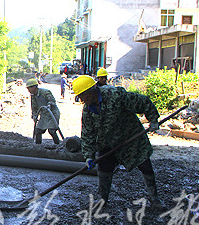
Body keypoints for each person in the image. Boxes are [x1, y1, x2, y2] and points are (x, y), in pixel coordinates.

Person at [71, 75, 165, 210]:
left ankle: (154, 199)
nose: (81, 100)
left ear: (91, 91)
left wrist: (153, 119)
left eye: (82, 96)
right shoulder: (88, 110)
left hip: (130, 137)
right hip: (107, 143)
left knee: (145, 166)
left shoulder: (115, 95)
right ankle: (103, 199)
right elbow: (87, 134)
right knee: (104, 169)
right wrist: (88, 156)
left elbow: (142, 101)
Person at [26, 78, 61, 145]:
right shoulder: (33, 97)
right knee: (38, 131)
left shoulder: (45, 92)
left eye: (29, 88)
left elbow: (52, 101)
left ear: (35, 87)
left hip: (52, 114)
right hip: (44, 115)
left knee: (52, 131)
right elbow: (34, 108)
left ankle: (57, 145)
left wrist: (49, 105)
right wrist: (34, 116)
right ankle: (38, 146)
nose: (28, 90)